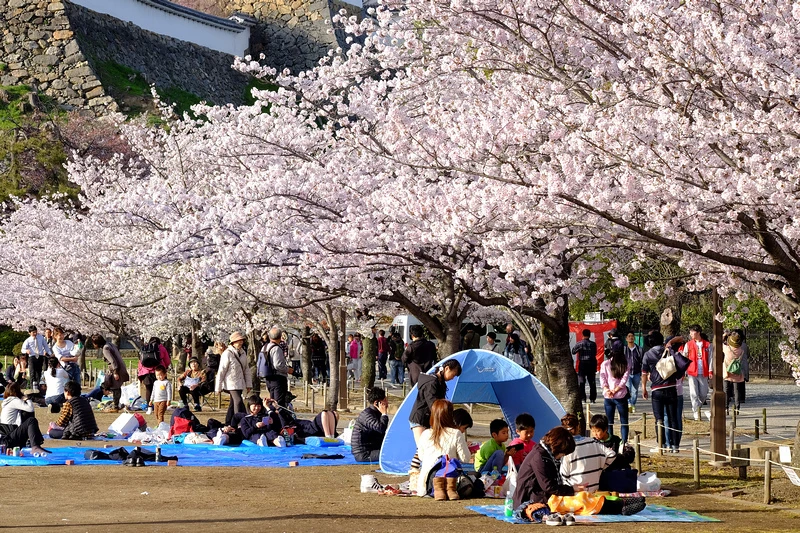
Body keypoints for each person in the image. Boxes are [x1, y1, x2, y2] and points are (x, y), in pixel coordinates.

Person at [513, 427, 646, 522]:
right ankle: (620, 506)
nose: (561, 457)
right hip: (531, 500)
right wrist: (572, 489)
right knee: (579, 500)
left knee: (583, 497)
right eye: (563, 453)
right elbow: (549, 486)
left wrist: (572, 489)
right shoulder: (539, 457)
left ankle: (621, 504)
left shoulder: (543, 454)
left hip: (542, 495)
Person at [416, 399, 472, 500]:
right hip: (448, 481)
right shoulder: (455, 434)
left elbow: (421, 457)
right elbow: (466, 458)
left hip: (425, 485)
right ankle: (448, 491)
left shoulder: (425, 434)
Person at [641, 330, 681, 453]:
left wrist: (643, 388)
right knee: (673, 417)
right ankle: (675, 446)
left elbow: (644, 373)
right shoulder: (669, 351)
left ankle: (662, 444)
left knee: (659, 419)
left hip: (657, 389)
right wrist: (669, 342)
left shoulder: (647, 354)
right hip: (671, 387)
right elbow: (681, 340)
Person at [408, 359, 462, 443]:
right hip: (420, 418)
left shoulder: (440, 382)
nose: (453, 378)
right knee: (422, 448)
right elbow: (433, 404)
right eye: (453, 374)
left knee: (428, 448)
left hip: (428, 418)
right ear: (447, 368)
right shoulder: (431, 382)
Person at [559, 414, 616, 493]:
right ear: (578, 427)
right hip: (594, 493)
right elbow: (612, 454)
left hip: (576, 495)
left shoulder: (566, 449)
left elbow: (564, 476)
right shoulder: (593, 442)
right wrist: (600, 467)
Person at [0, 382, 49, 455]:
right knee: (31, 420)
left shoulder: (7, 401)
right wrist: (27, 399)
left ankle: (36, 443)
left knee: (27, 416)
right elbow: (30, 409)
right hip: (8, 438)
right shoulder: (14, 400)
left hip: (5, 438)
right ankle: (35, 446)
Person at [216, 331, 252, 426]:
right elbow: (221, 371)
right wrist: (218, 387)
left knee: (233, 403)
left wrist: (248, 384)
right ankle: (240, 422)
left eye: (241, 341)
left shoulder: (243, 353)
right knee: (238, 401)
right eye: (238, 341)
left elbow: (246, 370)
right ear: (233, 342)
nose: (240, 343)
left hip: (240, 382)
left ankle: (229, 422)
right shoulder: (227, 354)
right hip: (230, 382)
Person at [89, 334, 130, 413]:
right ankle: (116, 405)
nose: (93, 345)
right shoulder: (110, 344)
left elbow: (112, 361)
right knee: (114, 387)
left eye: (94, 343)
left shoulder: (106, 348)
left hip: (117, 369)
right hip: (120, 367)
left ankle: (115, 406)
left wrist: (115, 372)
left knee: (115, 387)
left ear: (97, 343)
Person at [599, 344, 630, 443]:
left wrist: (607, 389)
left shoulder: (605, 363)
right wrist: (616, 390)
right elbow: (624, 380)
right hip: (621, 395)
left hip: (608, 396)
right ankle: (624, 443)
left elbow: (602, 377)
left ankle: (610, 442)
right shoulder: (626, 364)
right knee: (624, 421)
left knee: (609, 422)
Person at [681, 324, 712, 421]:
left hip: (704, 371)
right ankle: (695, 411)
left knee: (703, 393)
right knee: (693, 392)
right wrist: (683, 369)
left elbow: (711, 358)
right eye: (690, 332)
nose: (690, 334)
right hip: (692, 371)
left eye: (692, 332)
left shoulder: (707, 345)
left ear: (698, 332)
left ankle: (698, 406)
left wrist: (711, 370)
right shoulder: (688, 344)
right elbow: (684, 357)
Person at [351, 387, 389, 462]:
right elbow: (381, 428)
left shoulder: (376, 413)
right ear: (376, 403)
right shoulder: (367, 415)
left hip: (371, 448)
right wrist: (384, 414)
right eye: (384, 400)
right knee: (390, 453)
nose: (387, 403)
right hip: (363, 453)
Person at [260, 326, 293, 408]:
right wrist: (288, 370)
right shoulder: (276, 348)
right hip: (278, 378)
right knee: (278, 403)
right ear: (280, 336)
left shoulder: (264, 347)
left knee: (272, 401)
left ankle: (273, 417)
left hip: (268, 377)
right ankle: (278, 419)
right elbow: (278, 365)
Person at [138, 337, 171, 415]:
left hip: (146, 372)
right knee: (162, 389)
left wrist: (140, 372)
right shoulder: (161, 348)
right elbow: (167, 361)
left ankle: (149, 408)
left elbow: (140, 362)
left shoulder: (145, 348)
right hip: (159, 371)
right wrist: (164, 368)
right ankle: (163, 406)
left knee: (149, 390)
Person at [21, 325, 52, 392]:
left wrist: (50, 353)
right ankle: (32, 389)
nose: (35, 334)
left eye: (35, 332)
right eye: (33, 332)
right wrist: (26, 351)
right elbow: (22, 349)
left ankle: (37, 388)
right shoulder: (28, 340)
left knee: (39, 372)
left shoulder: (41, 338)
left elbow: (46, 347)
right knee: (32, 372)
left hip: (40, 356)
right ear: (29, 333)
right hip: (32, 357)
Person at [571, 329, 598, 403]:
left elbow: (573, 351)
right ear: (590, 335)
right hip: (592, 364)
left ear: (582, 335)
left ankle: (583, 398)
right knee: (592, 382)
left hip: (582, 364)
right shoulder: (593, 344)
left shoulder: (579, 344)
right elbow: (595, 353)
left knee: (582, 382)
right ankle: (592, 399)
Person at [723, 331, 746, 415]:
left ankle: (726, 407)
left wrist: (724, 335)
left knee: (726, 390)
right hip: (737, 372)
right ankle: (737, 407)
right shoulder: (740, 350)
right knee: (736, 390)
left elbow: (720, 344)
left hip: (727, 371)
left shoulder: (727, 349)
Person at [624, 332, 643, 413]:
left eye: (632, 336)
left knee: (634, 391)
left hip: (636, 373)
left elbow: (642, 361)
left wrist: (643, 372)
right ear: (626, 338)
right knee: (628, 389)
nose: (631, 337)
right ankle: (629, 405)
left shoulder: (639, 349)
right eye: (629, 336)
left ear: (634, 338)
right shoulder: (624, 349)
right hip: (627, 373)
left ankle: (633, 404)